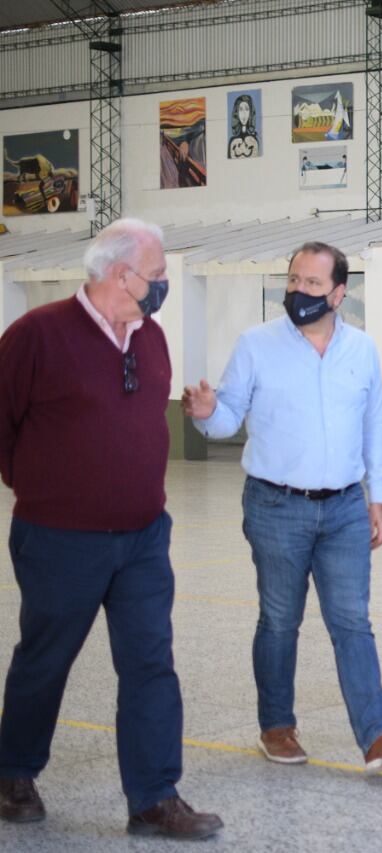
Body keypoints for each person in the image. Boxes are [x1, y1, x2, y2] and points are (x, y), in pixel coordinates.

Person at [0, 219, 223, 839]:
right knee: (45, 660)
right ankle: (13, 772)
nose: (162, 286)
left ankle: (154, 797)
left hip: (144, 535)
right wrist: (42, 487)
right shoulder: (35, 335)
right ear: (120, 275)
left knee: (151, 663)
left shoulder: (150, 337)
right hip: (58, 538)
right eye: (156, 276)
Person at [182, 241, 382, 773]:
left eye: (313, 284)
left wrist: (377, 497)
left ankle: (377, 736)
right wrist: (206, 412)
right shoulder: (255, 345)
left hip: (343, 510)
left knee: (352, 622)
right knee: (280, 621)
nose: (299, 291)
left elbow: (371, 428)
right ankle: (277, 726)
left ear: (339, 293)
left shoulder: (361, 350)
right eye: (293, 281)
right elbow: (227, 422)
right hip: (275, 506)